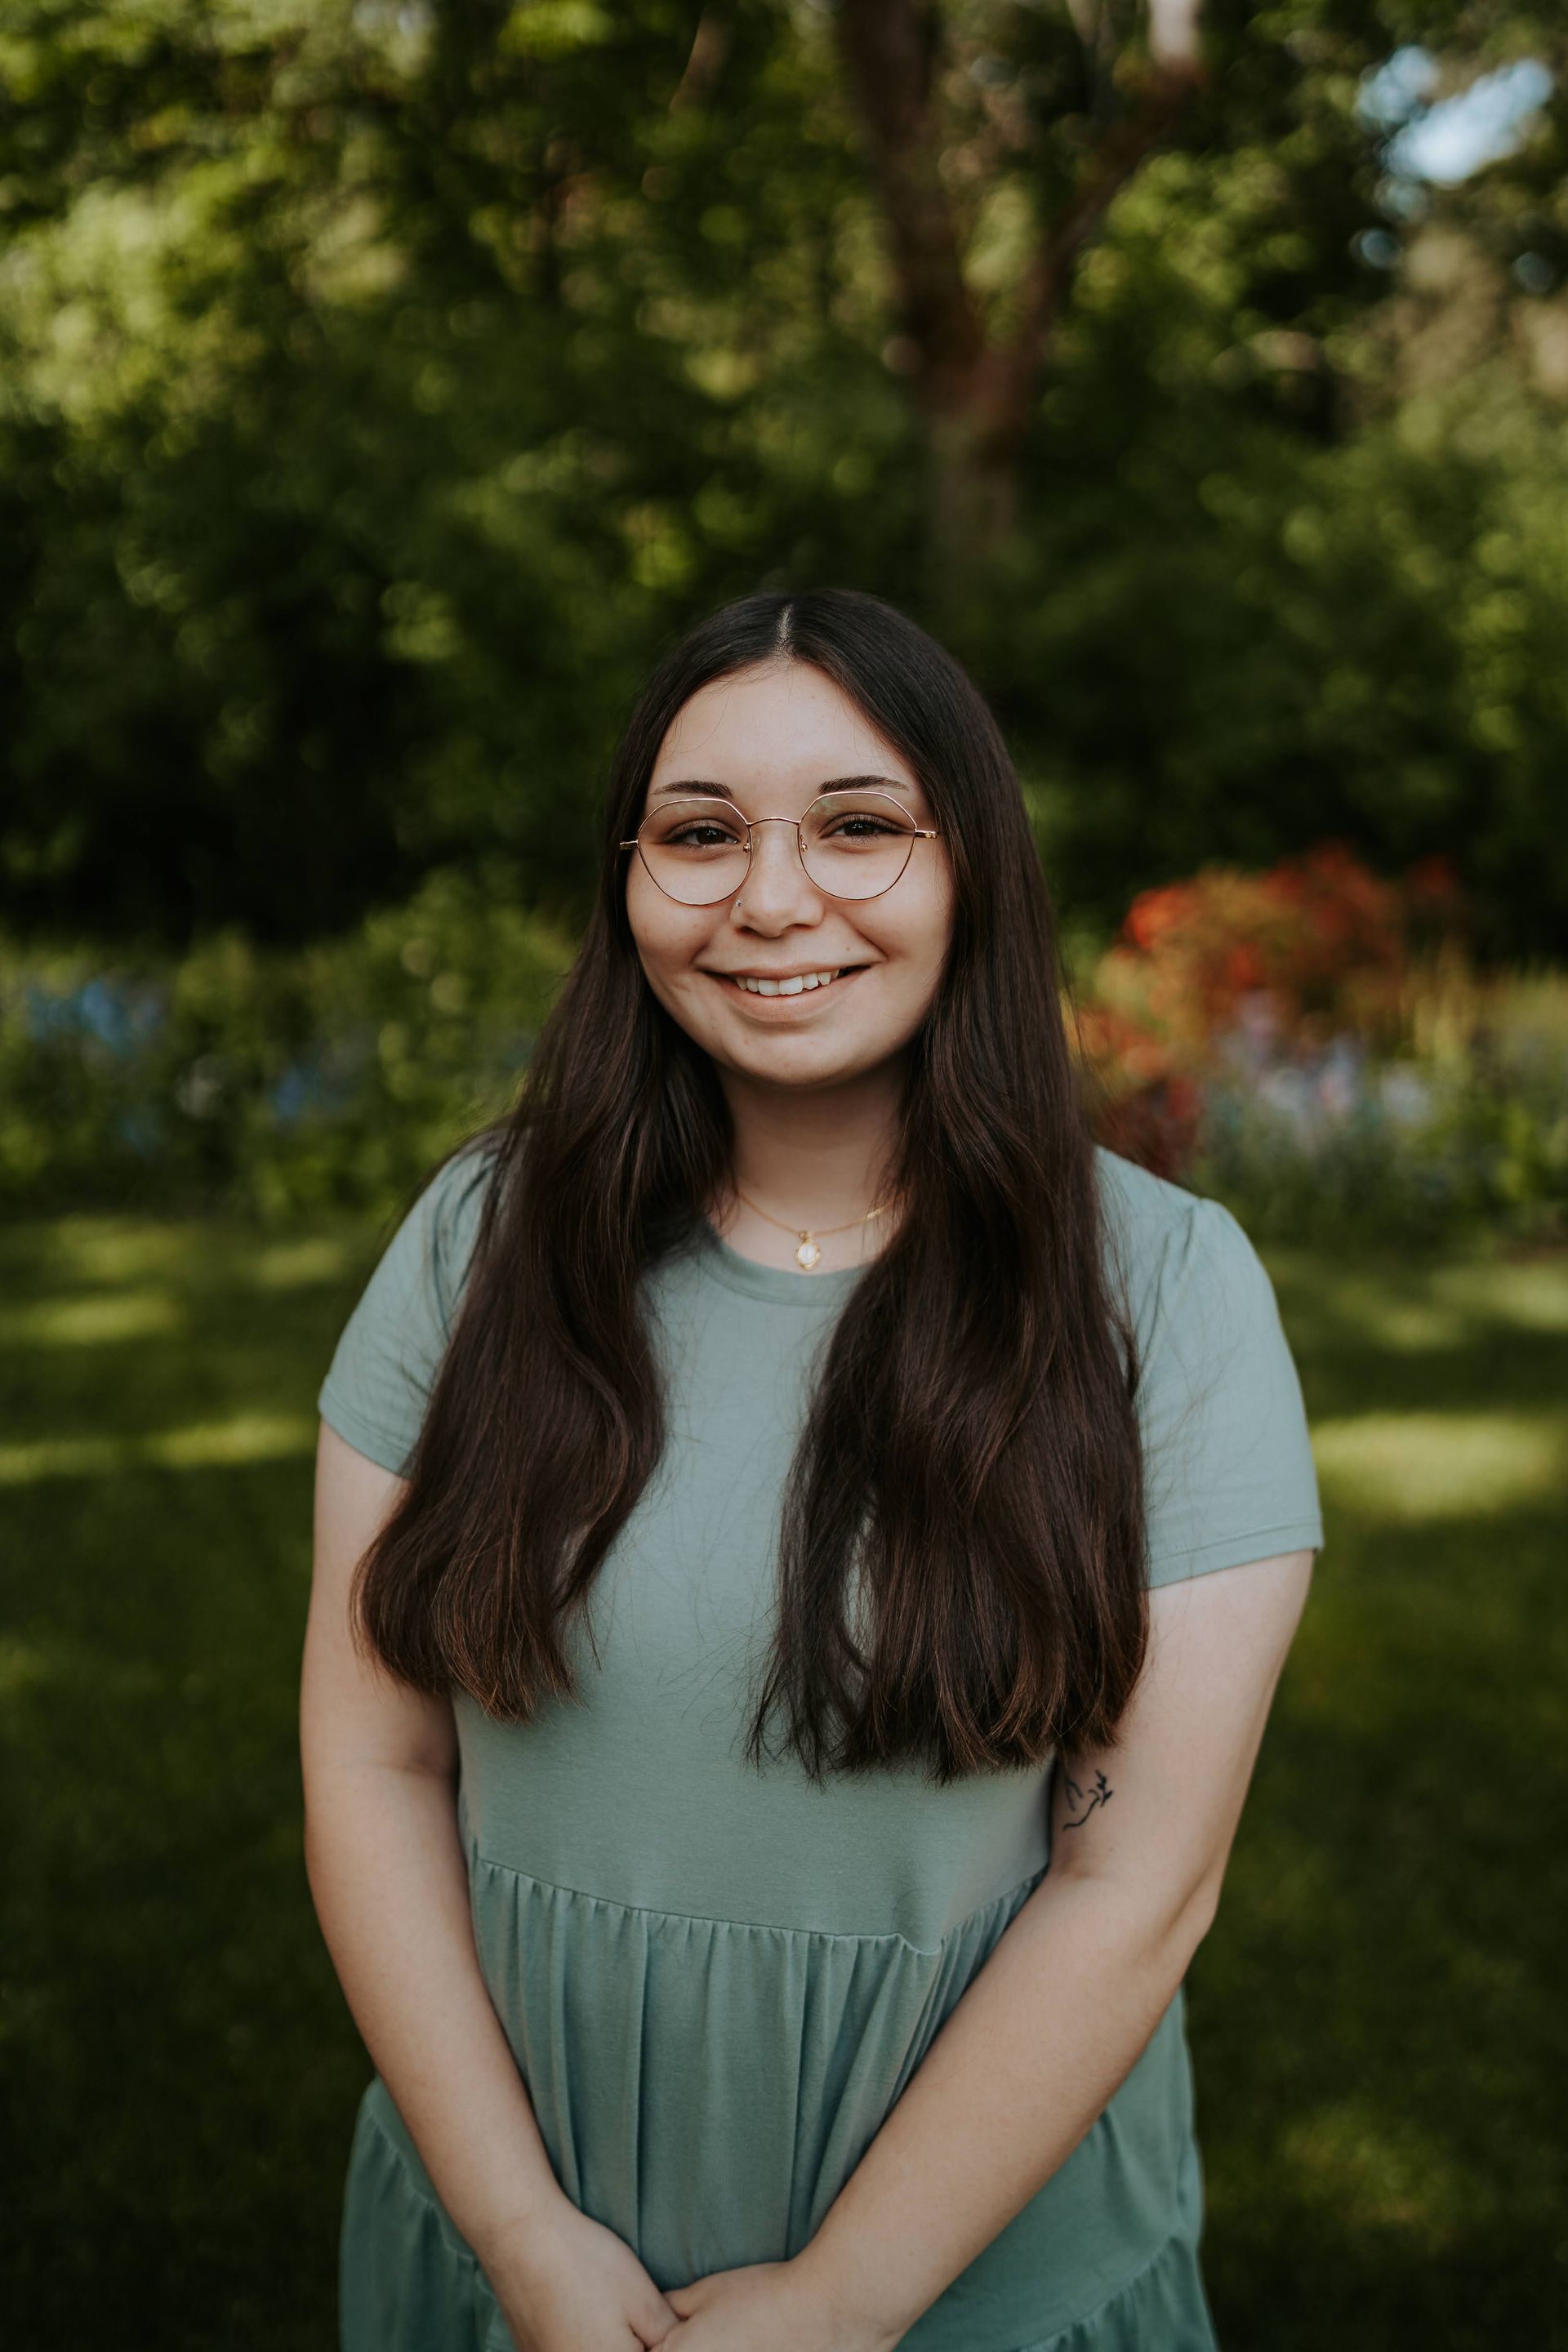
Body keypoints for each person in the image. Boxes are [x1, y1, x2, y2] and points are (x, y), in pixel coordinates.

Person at [301, 586, 1324, 2352]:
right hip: (508, 2245)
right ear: (630, 886)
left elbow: (1136, 1884)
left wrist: (846, 2303)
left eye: (859, 825)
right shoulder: (482, 1243)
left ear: (971, 867)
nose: (773, 900)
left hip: (973, 2283)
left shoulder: (1164, 1293)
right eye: (700, 835)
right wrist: (518, 2231)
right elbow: (373, 1753)